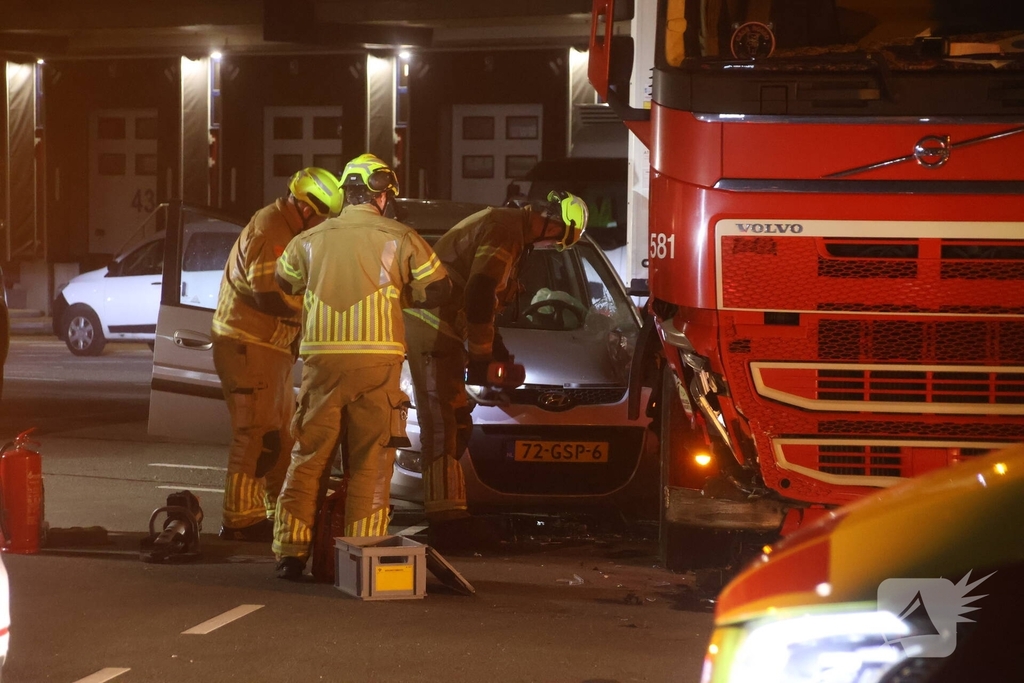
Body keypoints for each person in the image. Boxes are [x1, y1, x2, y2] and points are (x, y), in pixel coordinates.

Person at [272, 153, 450, 580]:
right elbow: (439, 288)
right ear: (381, 194)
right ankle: (362, 553)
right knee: (372, 459)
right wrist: (401, 297)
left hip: (322, 364)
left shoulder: (311, 238)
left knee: (309, 456)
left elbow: (284, 281)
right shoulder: (401, 236)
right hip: (378, 364)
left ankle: (290, 552)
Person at [404, 191, 588, 544]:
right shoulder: (504, 228)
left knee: (456, 418)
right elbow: (479, 291)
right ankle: (445, 521)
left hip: (447, 328)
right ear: (551, 220)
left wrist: (495, 351)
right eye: (559, 238)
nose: (551, 246)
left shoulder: (509, 229)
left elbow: (482, 300)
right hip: (432, 327)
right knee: (442, 421)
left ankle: (452, 512)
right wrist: (483, 355)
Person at [212, 167, 344, 542]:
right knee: (256, 435)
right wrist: (313, 310)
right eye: (322, 217)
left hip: (269, 350)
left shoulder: (289, 230)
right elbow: (267, 295)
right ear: (305, 208)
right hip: (249, 346)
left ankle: (273, 510)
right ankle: (240, 520)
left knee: (282, 437)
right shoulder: (273, 228)